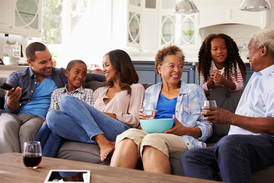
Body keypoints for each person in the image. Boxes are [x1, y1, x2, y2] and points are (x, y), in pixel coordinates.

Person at [181, 29, 274, 183]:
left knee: (230, 144)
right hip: (242, 142)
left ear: (263, 50)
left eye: (250, 50)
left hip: (267, 142)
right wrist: (229, 137)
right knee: (192, 157)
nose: (248, 56)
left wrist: (229, 118)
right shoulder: (258, 76)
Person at [110, 45, 212, 174]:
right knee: (128, 136)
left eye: (180, 66)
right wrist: (144, 122)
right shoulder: (150, 92)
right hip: (152, 133)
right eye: (172, 66)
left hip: (182, 137)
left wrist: (185, 130)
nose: (177, 70)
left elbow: (208, 127)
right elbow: (144, 125)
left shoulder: (194, 90)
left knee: (151, 140)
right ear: (159, 68)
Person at [0, 42, 105, 154]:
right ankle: (12, 165)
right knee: (6, 125)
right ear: (30, 63)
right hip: (16, 115)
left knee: (27, 131)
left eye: (50, 59)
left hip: (38, 117)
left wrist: (117, 77)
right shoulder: (16, 76)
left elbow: (88, 76)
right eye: (43, 62)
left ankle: (26, 165)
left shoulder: (59, 74)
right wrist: (12, 100)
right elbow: (10, 109)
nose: (49, 65)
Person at [46, 49, 145, 162]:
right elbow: (87, 118)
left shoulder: (136, 88)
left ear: (119, 65)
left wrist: (111, 115)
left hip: (120, 129)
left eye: (107, 65)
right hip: (99, 129)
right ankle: (102, 141)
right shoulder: (99, 91)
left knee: (66, 100)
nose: (103, 70)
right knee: (53, 116)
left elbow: (135, 120)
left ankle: (102, 140)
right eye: (103, 66)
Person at [34, 59, 93, 157]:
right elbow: (52, 112)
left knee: (55, 131)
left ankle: (35, 158)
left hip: (75, 127)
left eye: (84, 74)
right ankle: (36, 157)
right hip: (56, 125)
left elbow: (89, 117)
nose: (80, 77)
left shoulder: (88, 93)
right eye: (77, 72)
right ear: (66, 73)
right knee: (48, 127)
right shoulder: (57, 92)